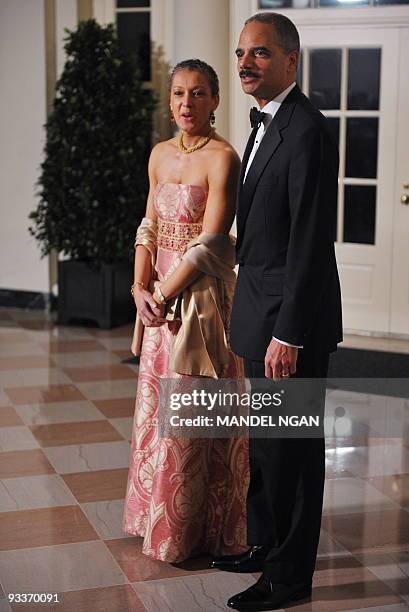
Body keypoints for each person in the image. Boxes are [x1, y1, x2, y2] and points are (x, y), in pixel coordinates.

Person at [210, 13, 343, 610]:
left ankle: (290, 577)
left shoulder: (308, 129)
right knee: (267, 444)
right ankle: (263, 545)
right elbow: (263, 230)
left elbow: (311, 242)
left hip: (292, 323)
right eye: (241, 52)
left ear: (291, 60)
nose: (246, 63)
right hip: (259, 312)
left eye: (259, 53)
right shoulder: (266, 123)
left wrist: (288, 334)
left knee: (293, 450)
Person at [122, 59, 249, 563]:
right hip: (155, 300)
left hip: (199, 300)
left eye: (198, 94)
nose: (186, 104)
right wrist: (138, 287)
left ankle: (191, 530)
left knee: (193, 411)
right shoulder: (158, 154)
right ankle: (151, 518)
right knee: (157, 410)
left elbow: (211, 242)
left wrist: (165, 293)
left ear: (215, 100)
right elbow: (148, 226)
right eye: (178, 94)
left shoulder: (223, 157)